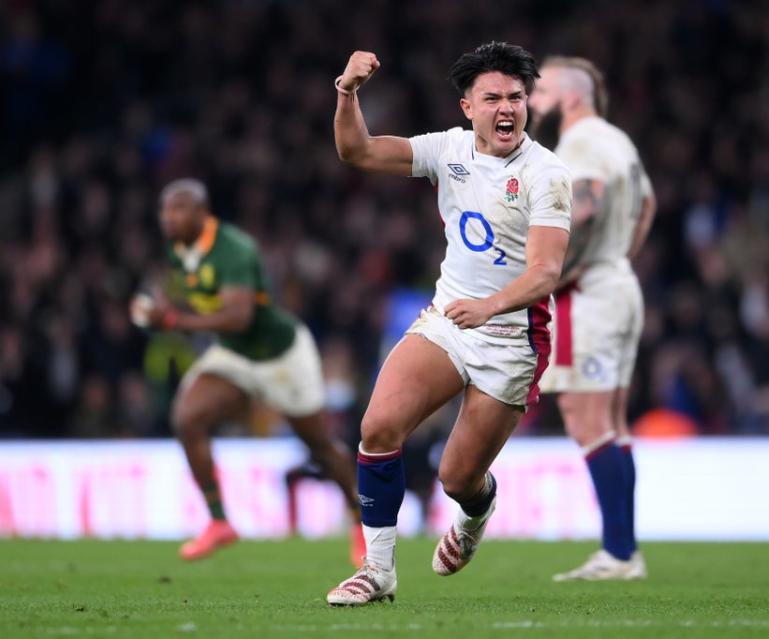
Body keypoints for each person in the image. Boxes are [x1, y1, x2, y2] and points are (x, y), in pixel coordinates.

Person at [325, 42, 571, 606]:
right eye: (492, 98)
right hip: (449, 321)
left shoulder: (546, 174)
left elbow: (546, 272)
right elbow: (356, 152)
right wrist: (346, 92)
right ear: (467, 107)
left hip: (512, 338)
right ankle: (378, 571)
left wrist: (489, 307)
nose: (506, 108)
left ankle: (475, 511)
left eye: (515, 97)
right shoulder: (448, 149)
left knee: (457, 478)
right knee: (378, 427)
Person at [129, 178, 365, 565]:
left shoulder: (234, 249)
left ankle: (360, 521)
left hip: (281, 355)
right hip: (236, 355)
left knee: (320, 446)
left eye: (179, 209)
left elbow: (238, 317)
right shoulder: (178, 250)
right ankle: (220, 522)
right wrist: (154, 310)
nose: (168, 218)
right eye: (165, 210)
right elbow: (203, 303)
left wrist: (170, 319)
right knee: (187, 418)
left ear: (203, 213)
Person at [529, 57, 657, 581]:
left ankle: (619, 554)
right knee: (614, 423)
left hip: (588, 296)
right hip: (620, 283)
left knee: (587, 420)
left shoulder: (579, 144)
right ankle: (624, 551)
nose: (532, 103)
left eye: (540, 93)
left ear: (571, 97)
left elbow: (583, 208)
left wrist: (557, 272)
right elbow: (647, 206)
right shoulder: (618, 140)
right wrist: (617, 257)